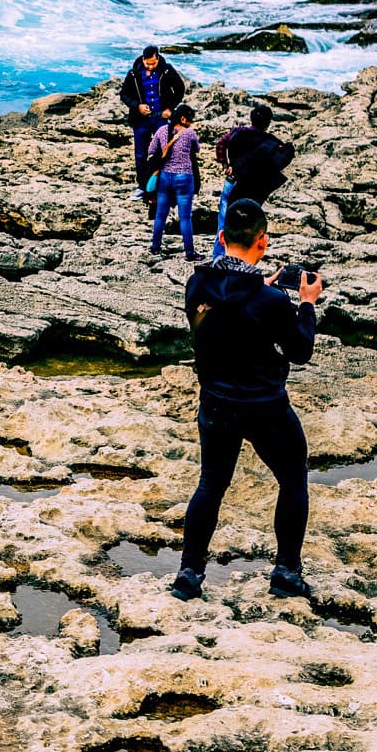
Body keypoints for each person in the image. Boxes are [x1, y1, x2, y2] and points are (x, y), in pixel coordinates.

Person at [171, 199, 323, 602]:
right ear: (262, 241)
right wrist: (306, 304)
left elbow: (221, 314)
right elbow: (300, 351)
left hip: (216, 402)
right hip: (265, 407)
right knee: (293, 478)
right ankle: (286, 572)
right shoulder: (270, 302)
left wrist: (261, 288)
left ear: (222, 237)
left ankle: (189, 574)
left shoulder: (197, 284)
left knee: (211, 484)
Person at [211, 106, 295, 259]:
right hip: (252, 188)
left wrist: (225, 165)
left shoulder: (238, 132)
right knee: (245, 224)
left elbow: (221, 144)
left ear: (251, 118)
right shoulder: (269, 142)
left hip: (233, 181)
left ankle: (218, 256)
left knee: (224, 220)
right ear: (268, 122)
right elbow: (280, 161)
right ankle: (240, 257)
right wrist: (289, 147)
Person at [119, 45, 186, 200]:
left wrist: (170, 108)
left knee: (164, 151)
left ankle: (164, 186)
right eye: (148, 63)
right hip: (140, 120)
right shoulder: (134, 73)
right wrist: (137, 106)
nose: (150, 66)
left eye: (153, 63)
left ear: (158, 58)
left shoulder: (167, 70)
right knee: (141, 154)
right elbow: (124, 94)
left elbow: (180, 89)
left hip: (160, 119)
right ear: (143, 59)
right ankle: (142, 187)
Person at [147, 103, 200, 261]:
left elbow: (151, 150)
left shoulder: (162, 130)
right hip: (184, 176)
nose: (190, 122)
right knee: (185, 217)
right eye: (190, 119)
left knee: (160, 215)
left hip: (164, 175)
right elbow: (197, 149)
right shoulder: (190, 133)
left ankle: (155, 247)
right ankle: (189, 252)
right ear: (183, 118)